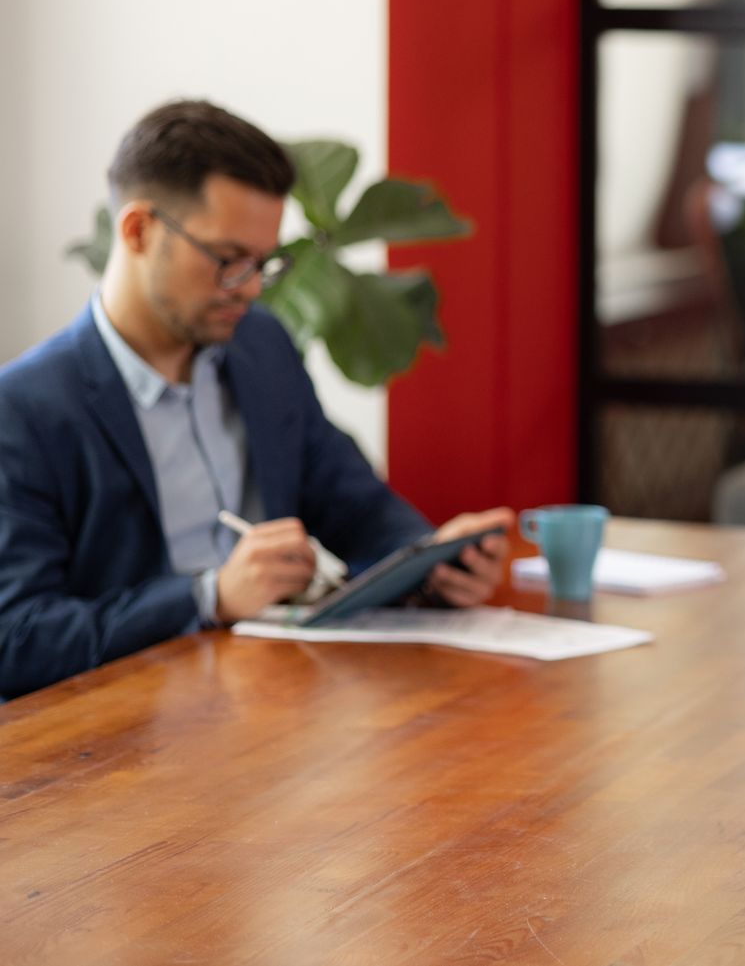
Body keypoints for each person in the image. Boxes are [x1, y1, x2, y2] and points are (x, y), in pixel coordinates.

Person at [0, 100, 511, 700]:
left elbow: (350, 501)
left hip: (269, 704)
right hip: (122, 736)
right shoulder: (26, 409)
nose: (247, 287)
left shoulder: (260, 346)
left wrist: (433, 563)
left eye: (262, 262)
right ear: (138, 230)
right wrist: (208, 596)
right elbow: (16, 639)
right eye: (226, 260)